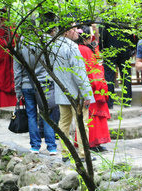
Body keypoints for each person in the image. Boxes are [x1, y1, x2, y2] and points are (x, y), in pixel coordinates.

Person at [51, 25, 94, 161]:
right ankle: (83, 153)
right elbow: (79, 73)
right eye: (74, 29)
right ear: (67, 31)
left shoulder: (53, 46)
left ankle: (65, 152)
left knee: (64, 122)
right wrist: (87, 94)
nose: (77, 32)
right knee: (81, 123)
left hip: (61, 90)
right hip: (76, 92)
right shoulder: (72, 47)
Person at [13, 31, 58, 155]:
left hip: (27, 85)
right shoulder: (45, 41)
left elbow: (17, 70)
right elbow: (53, 64)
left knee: (31, 116)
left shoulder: (20, 44)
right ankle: (52, 147)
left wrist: (18, 89)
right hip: (44, 84)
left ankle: (35, 146)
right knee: (46, 115)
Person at [77, 26, 111, 153]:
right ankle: (92, 142)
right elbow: (93, 71)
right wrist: (100, 87)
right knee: (93, 117)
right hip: (93, 88)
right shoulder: (86, 50)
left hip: (88, 86)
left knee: (90, 117)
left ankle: (92, 142)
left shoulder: (83, 49)